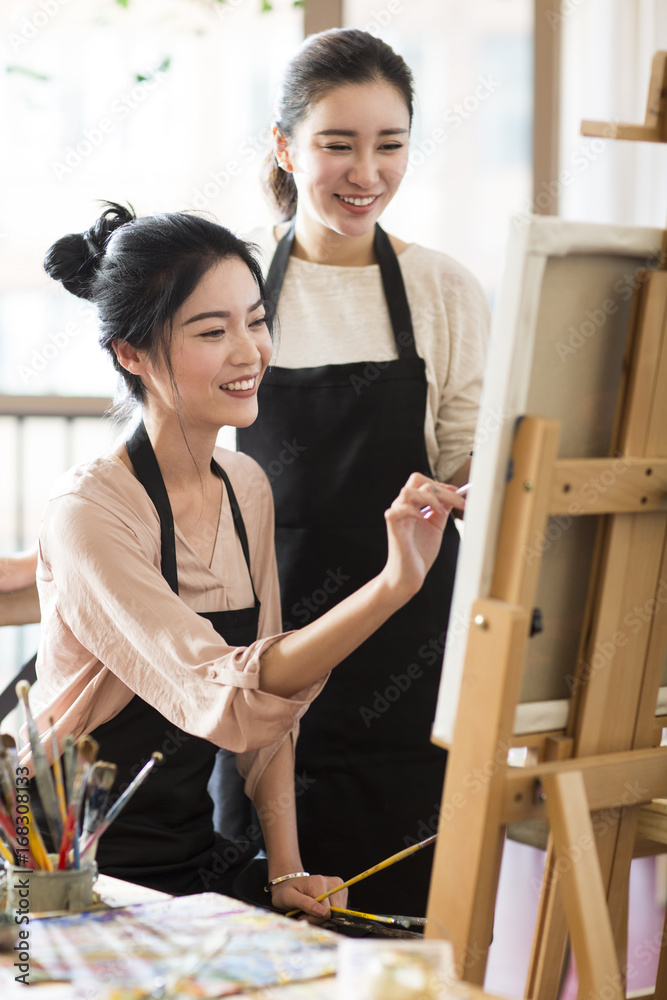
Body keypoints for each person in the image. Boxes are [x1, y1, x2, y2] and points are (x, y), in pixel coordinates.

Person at [22, 203, 464, 914]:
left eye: (256, 321)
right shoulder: (89, 513)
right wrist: (392, 584)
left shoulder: (245, 485)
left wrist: (286, 874)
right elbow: (224, 695)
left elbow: (270, 722)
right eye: (211, 330)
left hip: (184, 846)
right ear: (130, 355)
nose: (249, 351)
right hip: (61, 861)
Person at [236, 28, 491, 915]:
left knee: (401, 911)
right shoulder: (231, 284)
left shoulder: (443, 289)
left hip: (406, 641)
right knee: (260, 906)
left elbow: (465, 462)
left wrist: (467, 486)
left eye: (389, 145)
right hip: (261, 636)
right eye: (337, 144)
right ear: (284, 146)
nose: (366, 172)